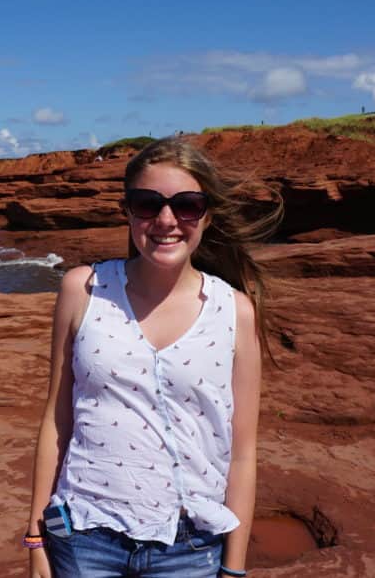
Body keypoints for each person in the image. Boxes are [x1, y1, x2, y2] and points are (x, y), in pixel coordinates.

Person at [25, 137, 281, 577]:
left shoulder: (236, 310)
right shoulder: (82, 290)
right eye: (147, 204)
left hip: (190, 546)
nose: (166, 220)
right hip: (84, 535)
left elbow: (242, 451)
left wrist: (233, 568)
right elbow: (57, 419)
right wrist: (34, 539)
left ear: (207, 214)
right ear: (127, 211)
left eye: (187, 205)